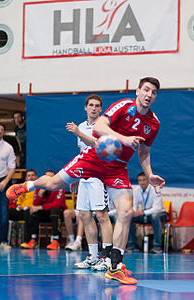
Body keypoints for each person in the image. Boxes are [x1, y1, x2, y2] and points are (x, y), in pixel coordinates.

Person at [7, 77, 165, 285]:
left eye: (153, 92)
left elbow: (144, 152)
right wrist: (123, 139)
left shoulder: (153, 123)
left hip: (117, 168)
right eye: (146, 90)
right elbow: (99, 127)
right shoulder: (125, 106)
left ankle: (115, 266)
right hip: (94, 158)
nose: (149, 95)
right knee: (54, 183)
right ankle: (28, 185)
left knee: (125, 212)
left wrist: (150, 173)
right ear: (137, 91)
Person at [66, 94, 113, 271]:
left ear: (101, 109)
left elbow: (97, 147)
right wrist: (76, 177)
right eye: (91, 105)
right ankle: (93, 257)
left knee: (102, 216)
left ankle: (107, 258)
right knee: (84, 216)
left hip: (99, 177)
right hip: (84, 177)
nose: (94, 108)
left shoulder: (103, 126)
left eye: (97, 106)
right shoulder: (81, 126)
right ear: (85, 107)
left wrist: (78, 133)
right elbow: (82, 154)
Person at [21, 170, 66, 250]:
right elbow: (35, 204)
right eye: (47, 177)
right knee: (32, 211)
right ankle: (33, 239)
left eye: (51, 177)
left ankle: (55, 240)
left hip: (58, 213)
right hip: (45, 213)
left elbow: (57, 205)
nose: (49, 180)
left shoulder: (60, 187)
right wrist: (40, 195)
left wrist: (40, 207)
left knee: (54, 210)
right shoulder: (39, 187)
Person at [126, 171, 167, 254]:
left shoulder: (155, 189)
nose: (142, 182)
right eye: (140, 180)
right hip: (145, 214)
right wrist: (133, 212)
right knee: (129, 216)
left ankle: (157, 246)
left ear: (148, 180)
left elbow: (157, 208)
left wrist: (143, 212)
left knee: (154, 216)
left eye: (144, 180)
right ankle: (132, 245)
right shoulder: (136, 190)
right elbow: (134, 205)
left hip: (160, 214)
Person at [9, 169, 37, 246]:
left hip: (32, 210)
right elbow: (19, 200)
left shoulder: (38, 186)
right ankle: (2, 240)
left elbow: (39, 201)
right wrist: (18, 205)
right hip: (22, 210)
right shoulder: (23, 188)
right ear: (26, 178)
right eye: (29, 175)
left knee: (29, 213)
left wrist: (30, 207)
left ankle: (27, 241)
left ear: (36, 177)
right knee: (7, 212)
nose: (31, 177)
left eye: (33, 175)